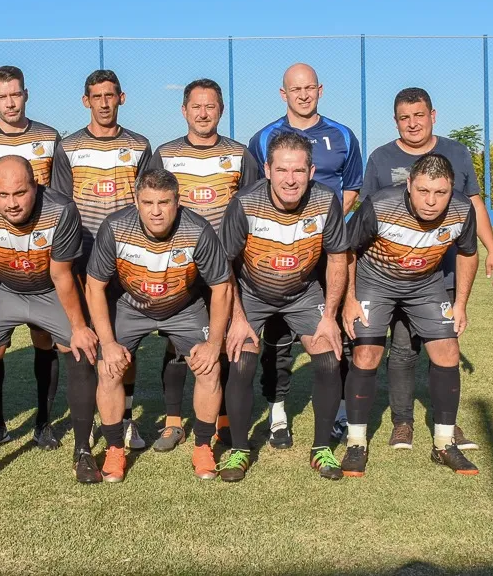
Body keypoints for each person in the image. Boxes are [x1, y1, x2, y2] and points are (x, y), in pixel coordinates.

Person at [362, 87, 493, 450]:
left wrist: (492, 249)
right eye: (405, 117)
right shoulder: (381, 157)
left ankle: (447, 424)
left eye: (419, 115)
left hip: (443, 269)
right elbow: (366, 214)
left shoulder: (456, 152)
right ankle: (403, 422)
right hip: (394, 272)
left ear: (432, 115)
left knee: (444, 343)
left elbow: (473, 204)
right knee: (404, 347)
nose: (412, 123)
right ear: (396, 121)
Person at [0, 155, 100, 485]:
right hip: (5, 288)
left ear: (35, 185)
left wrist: (79, 328)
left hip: (49, 288)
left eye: (20, 193)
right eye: (2, 195)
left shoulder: (61, 209)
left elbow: (62, 274)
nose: (11, 203)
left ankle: (82, 452)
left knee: (79, 350)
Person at [219, 132, 349, 482]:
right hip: (250, 293)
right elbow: (225, 266)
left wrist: (330, 318)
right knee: (241, 361)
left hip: (304, 294)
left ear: (311, 170)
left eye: (298, 171)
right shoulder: (244, 203)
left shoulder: (325, 201)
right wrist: (238, 319)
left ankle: (321, 449)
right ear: (267, 170)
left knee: (327, 357)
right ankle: (240, 451)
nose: (290, 179)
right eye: (282, 170)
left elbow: (338, 258)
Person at [86, 168, 230, 481]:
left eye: (164, 202)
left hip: (184, 307)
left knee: (210, 367)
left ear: (177, 202)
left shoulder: (198, 231)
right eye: (148, 202)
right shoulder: (114, 228)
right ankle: (114, 450)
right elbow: (94, 286)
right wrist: (108, 345)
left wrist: (214, 344)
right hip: (130, 306)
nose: (155, 211)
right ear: (136, 201)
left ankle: (203, 446)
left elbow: (222, 288)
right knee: (108, 368)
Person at [248, 63, 364, 448]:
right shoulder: (263, 138)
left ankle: (339, 414)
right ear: (283, 94)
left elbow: (351, 188)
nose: (302, 95)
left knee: (336, 331)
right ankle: (277, 413)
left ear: (320, 90)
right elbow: (254, 196)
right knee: (278, 337)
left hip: (327, 250)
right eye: (294, 89)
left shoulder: (343, 134)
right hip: (279, 251)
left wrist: (321, 223)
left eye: (309, 88)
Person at [341, 153, 479, 476]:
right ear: (409, 184)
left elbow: (468, 254)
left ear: (452, 189)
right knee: (366, 353)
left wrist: (460, 304)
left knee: (448, 351)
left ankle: (444, 444)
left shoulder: (462, 210)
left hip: (425, 284)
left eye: (440, 192)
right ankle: (356, 443)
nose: (431, 201)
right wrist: (349, 299)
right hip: (375, 280)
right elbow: (346, 250)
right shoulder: (380, 204)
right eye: (423, 191)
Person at [147, 78, 260, 452]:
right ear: (184, 111)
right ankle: (173, 420)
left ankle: (221, 418)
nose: (203, 113)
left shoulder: (240, 155)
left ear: (221, 110)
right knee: (175, 345)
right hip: (178, 264)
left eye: (210, 106)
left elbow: (254, 205)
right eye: (196, 106)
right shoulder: (164, 154)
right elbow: (151, 205)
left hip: (224, 266)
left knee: (223, 340)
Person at [0, 66, 64, 450]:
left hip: (40, 255)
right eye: (2, 96)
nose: (10, 102)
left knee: (44, 338)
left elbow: (59, 198)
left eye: (15, 94)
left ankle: (43, 421)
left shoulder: (49, 138)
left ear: (26, 94)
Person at [51, 69, 152, 449]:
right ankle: (93, 418)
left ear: (121, 98)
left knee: (125, 343)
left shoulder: (140, 146)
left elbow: (148, 204)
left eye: (111, 96)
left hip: (127, 261)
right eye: (97, 97)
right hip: (81, 260)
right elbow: (61, 206)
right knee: (87, 342)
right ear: (86, 101)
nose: (104, 103)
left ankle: (125, 418)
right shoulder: (69, 147)